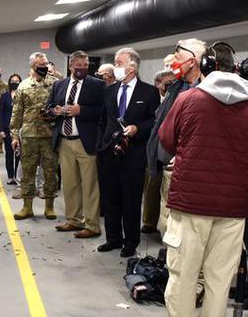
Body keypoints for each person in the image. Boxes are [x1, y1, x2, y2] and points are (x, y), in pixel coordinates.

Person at [142, 42, 248, 317]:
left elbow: (167, 141)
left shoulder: (189, 99)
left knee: (183, 277)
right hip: (234, 207)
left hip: (192, 203)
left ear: (206, 68)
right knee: (219, 281)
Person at [97, 48, 160, 256]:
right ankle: (113, 238)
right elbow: (103, 120)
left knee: (131, 200)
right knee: (110, 199)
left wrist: (137, 129)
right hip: (108, 153)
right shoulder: (109, 90)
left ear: (132, 67)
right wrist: (101, 146)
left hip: (133, 154)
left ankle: (130, 242)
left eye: (119, 63)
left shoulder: (149, 92)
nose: (115, 67)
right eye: (115, 63)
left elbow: (154, 122)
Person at [146, 38, 207, 235]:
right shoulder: (176, 87)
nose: (173, 63)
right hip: (165, 165)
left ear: (193, 61)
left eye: (178, 58)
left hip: (184, 169)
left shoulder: (204, 90)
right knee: (166, 221)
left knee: (180, 228)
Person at [50, 51, 105, 238]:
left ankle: (92, 225)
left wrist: (82, 110)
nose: (82, 68)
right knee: (69, 184)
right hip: (64, 141)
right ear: (71, 66)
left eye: (85, 65)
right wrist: (55, 111)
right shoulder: (59, 85)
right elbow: (49, 107)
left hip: (86, 142)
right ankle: (73, 220)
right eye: (78, 65)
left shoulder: (97, 85)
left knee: (90, 185)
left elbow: (103, 113)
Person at [11, 52, 58, 220]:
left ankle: (49, 206)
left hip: (49, 135)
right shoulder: (23, 86)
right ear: (33, 66)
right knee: (28, 173)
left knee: (50, 172)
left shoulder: (55, 84)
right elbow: (16, 113)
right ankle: (27, 206)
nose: (44, 67)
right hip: (29, 136)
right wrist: (15, 136)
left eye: (45, 64)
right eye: (41, 65)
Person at [141, 68, 176, 233]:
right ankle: (148, 222)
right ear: (158, 83)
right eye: (167, 83)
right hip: (153, 148)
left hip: (167, 150)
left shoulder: (175, 98)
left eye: (172, 82)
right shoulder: (152, 98)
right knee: (151, 186)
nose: (170, 86)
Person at [0, 74, 22, 185]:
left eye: (17, 81)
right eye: (12, 80)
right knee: (9, 153)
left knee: (18, 154)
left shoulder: (22, 94)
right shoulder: (5, 96)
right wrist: (1, 129)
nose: (14, 82)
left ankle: (17, 176)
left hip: (19, 128)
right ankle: (10, 176)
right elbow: (1, 113)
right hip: (7, 128)